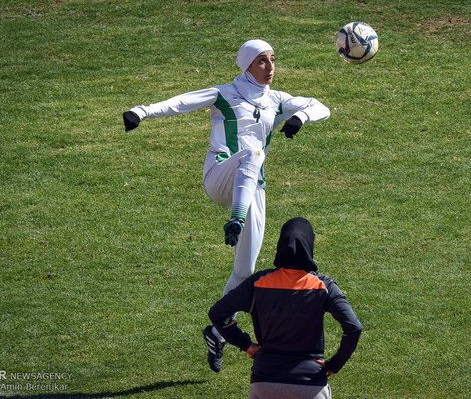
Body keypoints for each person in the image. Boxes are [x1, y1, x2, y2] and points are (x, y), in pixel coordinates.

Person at [122, 40, 331, 372]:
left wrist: (300, 118)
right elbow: (181, 103)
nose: (270, 67)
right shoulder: (224, 93)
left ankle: (219, 330)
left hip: (252, 191)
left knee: (245, 270)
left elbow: (322, 106)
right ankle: (234, 219)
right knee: (253, 153)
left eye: (273, 60)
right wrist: (141, 111)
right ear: (246, 64)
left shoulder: (277, 100)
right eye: (262, 61)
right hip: (220, 178)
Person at [208, 217, 362, 398]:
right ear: (309, 245)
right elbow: (353, 327)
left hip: (264, 382)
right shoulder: (323, 286)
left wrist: (246, 344)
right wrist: (334, 364)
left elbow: (218, 313)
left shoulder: (258, 282)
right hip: (310, 385)